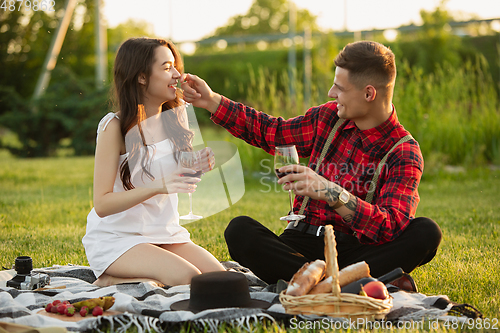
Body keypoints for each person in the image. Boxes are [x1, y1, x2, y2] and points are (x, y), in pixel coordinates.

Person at [181, 41, 442, 287]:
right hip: (301, 244)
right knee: (240, 230)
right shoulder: (328, 117)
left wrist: (331, 192)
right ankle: (344, 284)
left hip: (359, 252)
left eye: (340, 87)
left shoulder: (404, 151)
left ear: (369, 93)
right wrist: (211, 100)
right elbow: (273, 132)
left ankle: (314, 283)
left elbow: (389, 227)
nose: (331, 93)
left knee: (426, 232)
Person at [82, 37, 225, 287]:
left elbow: (169, 173)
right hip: (120, 238)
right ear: (141, 77)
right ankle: (109, 279)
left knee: (223, 280)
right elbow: (102, 204)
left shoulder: (175, 116)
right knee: (189, 279)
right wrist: (160, 186)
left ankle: (151, 273)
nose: (177, 75)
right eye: (167, 67)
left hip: (165, 233)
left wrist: (194, 166)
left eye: (175, 66)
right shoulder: (113, 127)